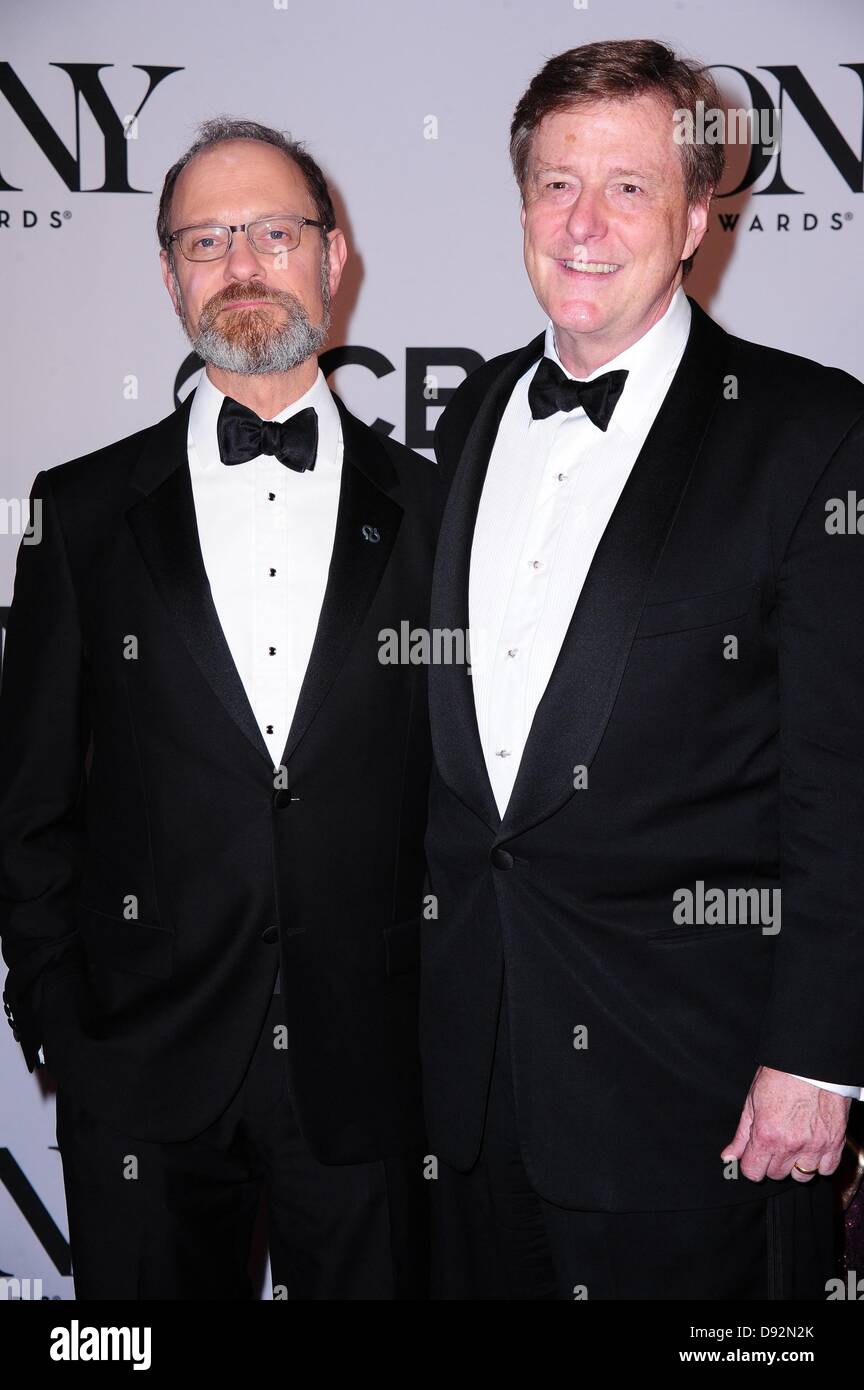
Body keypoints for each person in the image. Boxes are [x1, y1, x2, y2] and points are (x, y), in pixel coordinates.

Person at [422, 39, 864, 1300]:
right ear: (520, 208)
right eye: (558, 184)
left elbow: (846, 776)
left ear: (693, 223)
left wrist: (820, 1060)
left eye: (629, 187)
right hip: (472, 1081)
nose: (585, 223)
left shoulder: (811, 434)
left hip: (698, 1093)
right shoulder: (473, 411)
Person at [0, 118, 443, 1299]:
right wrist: (52, 1009)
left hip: (375, 1071)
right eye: (206, 238)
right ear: (168, 275)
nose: (242, 261)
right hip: (140, 1068)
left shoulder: (440, 512)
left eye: (272, 231)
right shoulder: (81, 510)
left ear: (332, 257)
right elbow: (27, 790)